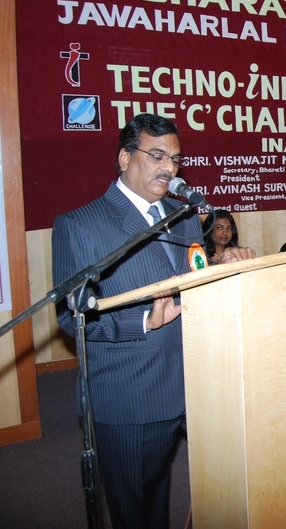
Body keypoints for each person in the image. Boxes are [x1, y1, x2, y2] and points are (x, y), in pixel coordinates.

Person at [52, 114, 255, 528]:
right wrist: (144, 320)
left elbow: (191, 278)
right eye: (157, 156)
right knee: (135, 503)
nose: (169, 168)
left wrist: (221, 266)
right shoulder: (80, 224)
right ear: (125, 158)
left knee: (162, 487)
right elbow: (72, 318)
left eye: (175, 159)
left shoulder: (183, 216)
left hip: (192, 381)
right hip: (131, 391)